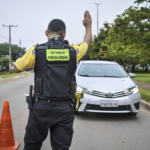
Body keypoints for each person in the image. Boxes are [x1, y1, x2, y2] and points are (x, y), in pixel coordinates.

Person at [13, 10, 92, 150]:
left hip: (41, 108)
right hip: (64, 109)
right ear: (64, 34)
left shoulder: (35, 51)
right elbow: (87, 42)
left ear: (46, 33)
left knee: (32, 145)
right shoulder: (74, 51)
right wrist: (88, 26)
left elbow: (16, 68)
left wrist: (30, 63)